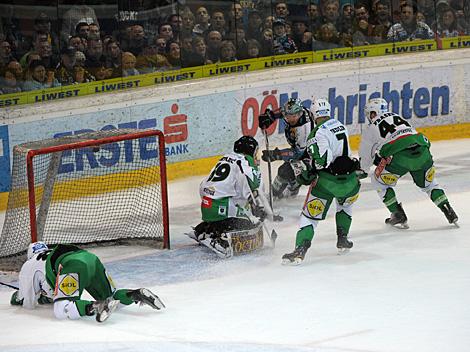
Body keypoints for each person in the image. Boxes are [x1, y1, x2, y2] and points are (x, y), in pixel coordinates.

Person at [281, 98, 364, 265]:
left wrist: (308, 172)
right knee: (345, 206)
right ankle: (343, 240)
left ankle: (300, 250)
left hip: (327, 183)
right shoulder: (340, 125)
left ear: (313, 113)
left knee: (310, 217)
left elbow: (322, 161)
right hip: (350, 182)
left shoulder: (316, 134)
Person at [359, 98, 458, 228]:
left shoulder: (370, 127)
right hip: (422, 151)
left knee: (377, 180)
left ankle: (397, 214)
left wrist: (363, 171)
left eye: (369, 114)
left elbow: (366, 158)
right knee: (430, 184)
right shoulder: (397, 116)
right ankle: (447, 209)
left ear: (372, 113)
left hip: (399, 157)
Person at [10, 241, 165, 323]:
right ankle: (135, 294)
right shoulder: (48, 255)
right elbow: (52, 288)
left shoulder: (29, 265)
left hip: (72, 264)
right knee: (111, 296)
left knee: (61, 310)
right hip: (90, 258)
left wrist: (16, 297)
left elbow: (27, 303)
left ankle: (96, 306)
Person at [188, 136, 268, 258]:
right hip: (221, 206)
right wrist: (256, 206)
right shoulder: (245, 162)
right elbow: (251, 184)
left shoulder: (225, 158)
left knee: (237, 206)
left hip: (207, 204)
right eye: (256, 152)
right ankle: (220, 240)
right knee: (247, 226)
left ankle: (204, 229)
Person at [258, 98, 314, 199]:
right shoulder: (295, 112)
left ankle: (292, 190)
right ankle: (274, 194)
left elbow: (298, 154)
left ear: (300, 114)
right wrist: (271, 116)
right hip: (301, 148)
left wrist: (276, 154)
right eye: (288, 116)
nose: (291, 119)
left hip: (311, 156)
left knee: (286, 171)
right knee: (283, 172)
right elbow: (282, 111)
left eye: (294, 116)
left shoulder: (304, 128)